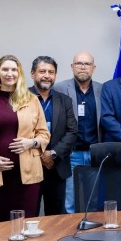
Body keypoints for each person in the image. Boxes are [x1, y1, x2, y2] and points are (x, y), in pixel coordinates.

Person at [0, 55, 49, 221]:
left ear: (19, 73)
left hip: (27, 174)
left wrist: (31, 142)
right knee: (1, 224)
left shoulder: (32, 100)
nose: (9, 73)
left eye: (14, 69)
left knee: (27, 222)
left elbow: (44, 134)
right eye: (5, 69)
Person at [53, 51, 103, 213]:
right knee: (70, 202)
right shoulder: (59, 88)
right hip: (71, 154)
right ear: (72, 66)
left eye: (87, 64)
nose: (83, 67)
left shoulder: (102, 89)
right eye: (79, 63)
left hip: (95, 154)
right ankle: (69, 229)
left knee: (93, 201)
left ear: (93, 68)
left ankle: (92, 228)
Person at [29, 56, 78, 215]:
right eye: (42, 71)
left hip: (56, 167)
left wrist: (53, 154)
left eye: (51, 72)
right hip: (30, 166)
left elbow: (72, 131)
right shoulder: (21, 98)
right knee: (29, 215)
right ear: (32, 74)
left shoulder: (64, 100)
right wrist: (41, 155)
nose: (47, 76)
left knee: (56, 218)